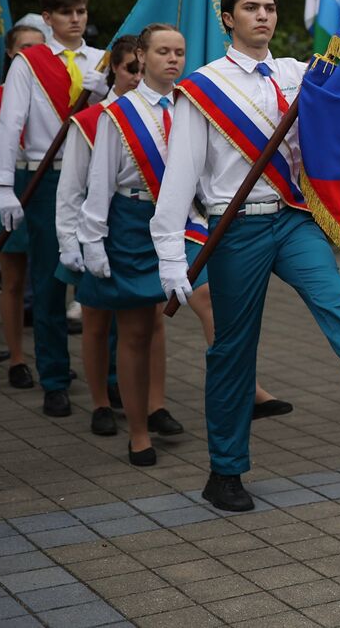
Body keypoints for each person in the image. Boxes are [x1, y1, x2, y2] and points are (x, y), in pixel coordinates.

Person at [151, 0, 340, 512]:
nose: (263, 16)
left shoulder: (299, 73)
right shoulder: (202, 89)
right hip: (235, 226)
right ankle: (224, 471)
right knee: (233, 349)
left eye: (270, 8)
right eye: (250, 8)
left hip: (293, 220)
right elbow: (179, 177)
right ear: (228, 19)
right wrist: (170, 256)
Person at [77, 24, 195, 465]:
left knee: (159, 324)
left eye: (179, 52)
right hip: (130, 222)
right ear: (141, 56)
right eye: (163, 51)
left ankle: (155, 406)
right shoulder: (118, 114)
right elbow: (100, 182)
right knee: (134, 331)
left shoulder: (189, 106)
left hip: (179, 221)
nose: (173, 60)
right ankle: (139, 433)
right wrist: (92, 240)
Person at [0, 0, 109, 417]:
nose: (76, 19)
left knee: (103, 280)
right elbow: (10, 124)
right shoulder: (29, 62)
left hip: (97, 178)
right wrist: (5, 186)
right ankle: (55, 380)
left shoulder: (102, 61)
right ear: (48, 18)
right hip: (47, 179)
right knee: (49, 283)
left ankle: (111, 378)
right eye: (65, 13)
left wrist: (104, 92)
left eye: (80, 11)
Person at [57, 37, 141, 435]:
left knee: (142, 325)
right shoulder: (92, 120)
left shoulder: (161, 114)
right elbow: (71, 189)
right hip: (95, 230)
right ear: (113, 72)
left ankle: (138, 397)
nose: (138, 77)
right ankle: (100, 403)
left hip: (135, 230)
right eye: (130, 69)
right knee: (96, 323)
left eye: (143, 68)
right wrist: (70, 243)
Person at [0, 25, 46, 388]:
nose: (33, 54)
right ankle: (18, 359)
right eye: (25, 48)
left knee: (49, 281)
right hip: (14, 183)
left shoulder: (57, 94)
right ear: (11, 54)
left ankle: (52, 359)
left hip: (45, 183)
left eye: (39, 47)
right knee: (15, 279)